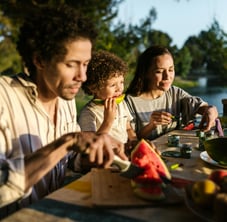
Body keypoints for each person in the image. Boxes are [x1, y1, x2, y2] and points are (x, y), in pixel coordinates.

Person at [0, 5, 127, 218]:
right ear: (39, 60)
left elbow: (70, 161)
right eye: (71, 65)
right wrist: (67, 141)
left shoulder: (65, 97)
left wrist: (93, 153)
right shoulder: (3, 98)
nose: (83, 76)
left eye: (85, 64)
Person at [125, 45, 218, 140]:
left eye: (171, 70)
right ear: (145, 73)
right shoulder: (129, 101)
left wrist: (210, 109)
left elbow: (197, 105)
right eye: (159, 71)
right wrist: (151, 125)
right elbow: (131, 141)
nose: (167, 76)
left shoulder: (175, 93)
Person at [78, 50, 137, 169]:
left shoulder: (121, 104)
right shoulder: (89, 113)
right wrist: (108, 121)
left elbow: (128, 128)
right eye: (112, 85)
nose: (119, 89)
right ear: (94, 88)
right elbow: (92, 146)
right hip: (105, 163)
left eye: (121, 82)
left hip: (124, 157)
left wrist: (135, 141)